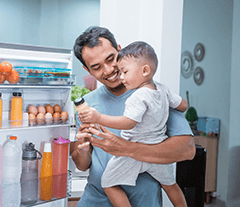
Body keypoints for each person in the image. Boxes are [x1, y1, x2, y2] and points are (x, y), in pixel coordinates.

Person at [71, 26, 195, 207]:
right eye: (96, 67)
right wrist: (81, 150)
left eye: (111, 59)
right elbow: (82, 165)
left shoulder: (153, 94)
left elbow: (187, 150)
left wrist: (126, 148)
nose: (108, 70)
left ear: (119, 50)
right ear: (87, 69)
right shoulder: (87, 105)